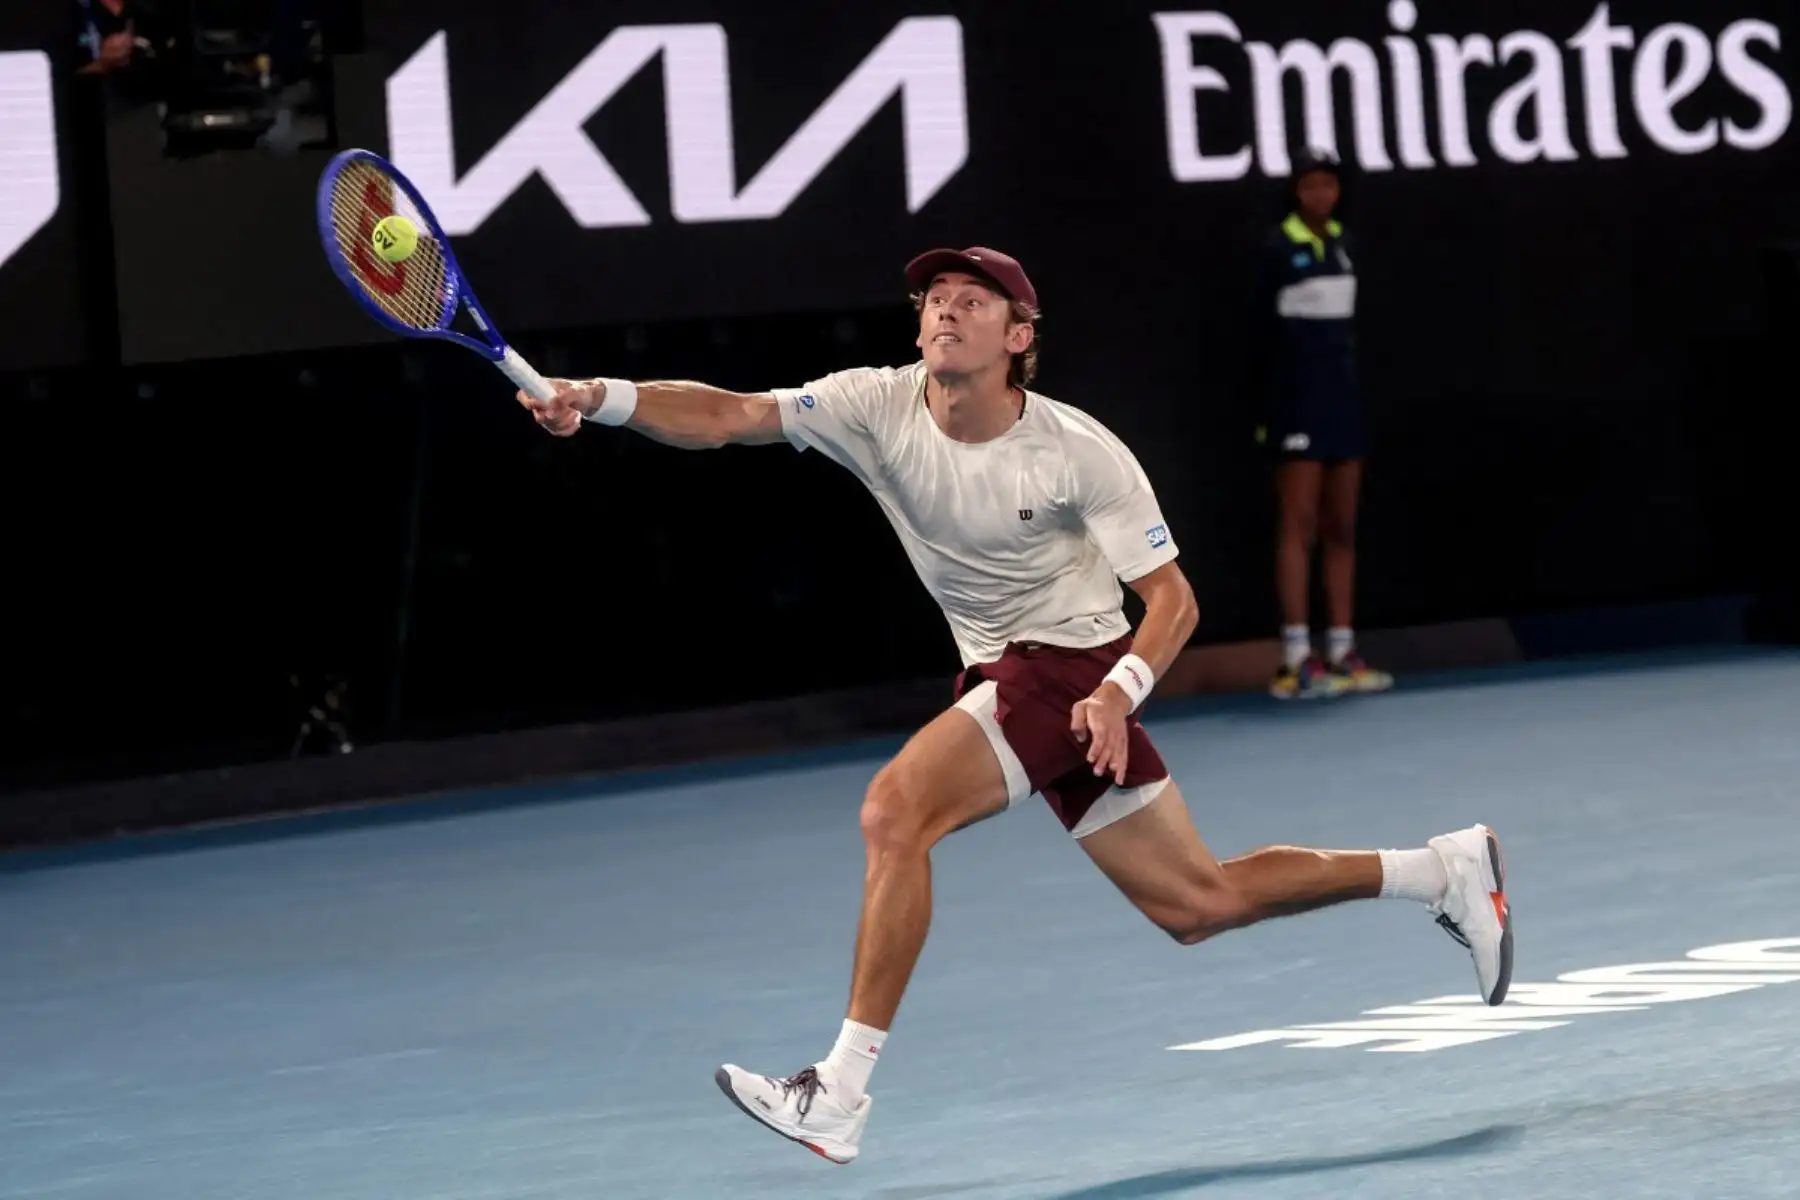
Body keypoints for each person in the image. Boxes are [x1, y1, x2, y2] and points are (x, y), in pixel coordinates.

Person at [517, 246, 1513, 1165]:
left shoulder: (1077, 451)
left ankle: (841, 1091)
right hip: (1022, 683)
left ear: (1018, 338)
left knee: (894, 812)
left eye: (972, 302)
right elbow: (728, 414)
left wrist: (1121, 692)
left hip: (1071, 672)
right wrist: (596, 398)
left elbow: (1173, 601)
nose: (945, 313)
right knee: (1197, 903)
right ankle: (1440, 870)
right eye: (934, 302)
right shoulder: (872, 405)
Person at [1258, 150, 1393, 700]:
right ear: (1296, 192)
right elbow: (1257, 336)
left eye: (1328, 185)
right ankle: (1296, 658)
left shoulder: (1345, 243)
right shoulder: (1275, 248)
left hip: (1343, 404)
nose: (1320, 195)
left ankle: (1341, 650)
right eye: (1310, 186)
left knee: (1342, 527)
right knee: (1299, 526)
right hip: (1295, 405)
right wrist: (1267, 408)